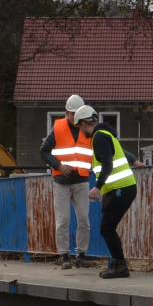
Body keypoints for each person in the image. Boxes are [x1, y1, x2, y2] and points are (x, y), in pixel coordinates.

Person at [78, 106, 136, 279]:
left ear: (82, 124)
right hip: (119, 188)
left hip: (122, 189)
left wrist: (96, 187)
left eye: (79, 128)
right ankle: (118, 264)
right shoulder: (106, 134)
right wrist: (104, 190)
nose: (81, 132)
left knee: (106, 227)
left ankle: (120, 266)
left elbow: (107, 164)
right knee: (107, 227)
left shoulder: (98, 137)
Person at [39, 98, 94, 267]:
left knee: (83, 219)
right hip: (61, 182)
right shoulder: (58, 128)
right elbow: (44, 151)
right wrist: (58, 166)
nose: (75, 117)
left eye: (77, 114)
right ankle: (64, 256)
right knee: (63, 220)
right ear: (66, 113)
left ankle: (81, 255)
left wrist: (132, 160)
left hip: (81, 181)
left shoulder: (89, 129)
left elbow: (106, 148)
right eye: (72, 114)